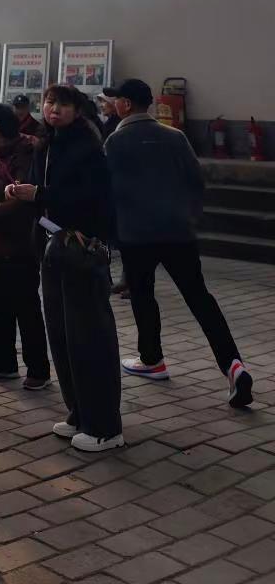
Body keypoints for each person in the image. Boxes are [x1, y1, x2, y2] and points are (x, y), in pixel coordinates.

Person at [104, 78, 253, 408]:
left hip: (136, 234)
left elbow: (108, 190)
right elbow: (196, 181)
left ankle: (152, 359)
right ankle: (233, 364)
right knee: (200, 298)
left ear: (125, 104)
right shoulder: (175, 137)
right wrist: (189, 217)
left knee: (143, 295)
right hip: (178, 232)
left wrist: (113, 233)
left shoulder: (116, 141)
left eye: (116, 100)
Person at [7, 84, 122, 453]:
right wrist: (22, 192)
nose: (53, 109)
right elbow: (40, 189)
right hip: (51, 247)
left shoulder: (87, 146)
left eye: (62, 104)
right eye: (49, 102)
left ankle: (104, 426)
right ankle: (79, 413)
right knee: (61, 335)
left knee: (89, 337)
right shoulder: (46, 142)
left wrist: (39, 194)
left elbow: (91, 199)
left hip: (81, 251)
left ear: (77, 109)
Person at [0, 104, 51, 390]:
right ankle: (2, 363)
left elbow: (22, 202)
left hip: (23, 242)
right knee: (1, 306)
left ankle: (38, 370)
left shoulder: (27, 153)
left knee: (26, 307)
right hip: (3, 242)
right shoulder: (3, 153)